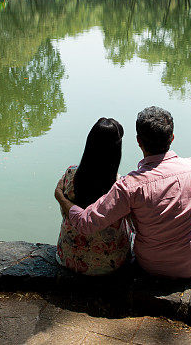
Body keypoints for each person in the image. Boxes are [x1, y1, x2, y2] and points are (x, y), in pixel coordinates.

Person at [55, 107, 191, 279]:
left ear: (138, 141)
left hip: (151, 266)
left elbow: (86, 223)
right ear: (171, 138)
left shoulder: (129, 186)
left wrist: (60, 197)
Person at [55, 118, 132, 276]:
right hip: (112, 263)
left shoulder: (70, 175)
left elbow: (65, 213)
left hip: (70, 258)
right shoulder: (122, 186)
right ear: (116, 152)